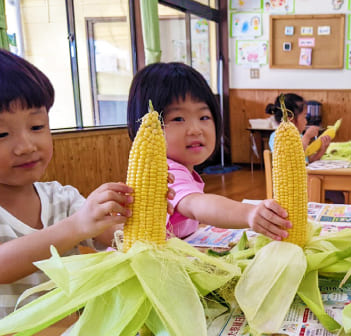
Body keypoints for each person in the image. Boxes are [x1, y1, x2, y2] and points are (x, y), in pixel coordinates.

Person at [0, 49, 134, 317]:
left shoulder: (62, 198)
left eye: (37, 126)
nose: (26, 146)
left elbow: (114, 236)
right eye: (2, 133)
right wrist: (76, 226)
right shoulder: (71, 220)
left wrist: (138, 213)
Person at [127, 62, 291, 241]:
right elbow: (196, 204)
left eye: (204, 117)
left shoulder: (183, 169)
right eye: (178, 118)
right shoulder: (166, 172)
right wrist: (249, 214)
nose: (196, 129)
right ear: (145, 125)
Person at [265, 93, 331, 163]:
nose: (306, 121)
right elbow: (292, 157)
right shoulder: (277, 137)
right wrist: (307, 137)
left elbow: (309, 160)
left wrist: (322, 150)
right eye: (304, 116)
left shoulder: (300, 136)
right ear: (290, 119)